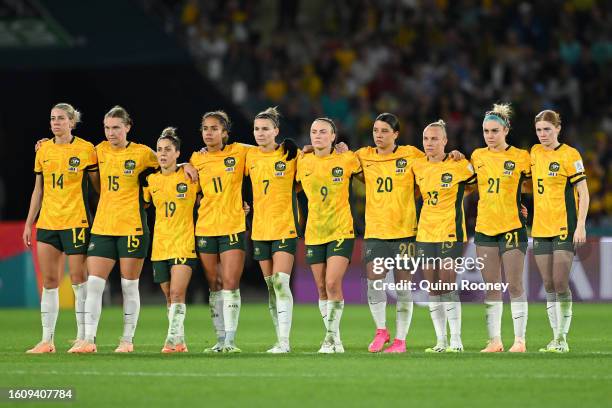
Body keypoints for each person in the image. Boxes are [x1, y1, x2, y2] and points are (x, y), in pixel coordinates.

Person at [71, 106, 196, 353]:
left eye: (116, 127)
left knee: (129, 286)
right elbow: (70, 152)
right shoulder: (97, 151)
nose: (111, 132)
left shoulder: (142, 153)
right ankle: (88, 339)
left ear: (128, 127)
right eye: (107, 127)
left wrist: (186, 165)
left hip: (133, 228)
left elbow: (165, 164)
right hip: (103, 226)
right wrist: (45, 143)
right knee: (94, 284)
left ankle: (127, 341)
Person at [24, 103, 99, 353]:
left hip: (76, 221)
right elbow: (38, 189)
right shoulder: (43, 149)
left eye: (61, 119)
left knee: (79, 280)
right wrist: (29, 222)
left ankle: (83, 338)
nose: (56, 122)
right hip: (47, 222)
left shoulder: (86, 149)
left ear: (72, 122)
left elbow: (98, 187)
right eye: (52, 118)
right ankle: (47, 341)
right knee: (49, 281)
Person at [354, 113, 423, 353]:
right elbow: (337, 162)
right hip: (376, 231)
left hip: (405, 232)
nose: (379, 135)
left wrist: (453, 156)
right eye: (376, 130)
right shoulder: (363, 156)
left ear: (396, 134)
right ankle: (381, 331)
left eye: (384, 131)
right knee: (375, 282)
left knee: (404, 287)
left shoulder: (411, 154)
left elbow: (433, 167)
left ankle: (401, 340)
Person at [296, 117, 362, 353]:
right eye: (314, 131)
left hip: (341, 230)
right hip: (314, 232)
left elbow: (370, 173)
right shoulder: (302, 161)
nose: (318, 135)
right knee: (322, 288)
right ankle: (335, 339)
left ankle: (331, 338)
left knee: (333, 282)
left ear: (334, 136)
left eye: (323, 132)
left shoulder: (347, 159)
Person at [412, 119, 476, 353]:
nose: (429, 143)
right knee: (433, 288)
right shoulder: (418, 166)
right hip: (426, 232)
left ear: (445, 141)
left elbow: (477, 184)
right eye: (426, 138)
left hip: (451, 230)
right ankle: (441, 340)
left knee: (448, 284)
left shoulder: (459, 164)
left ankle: (456, 340)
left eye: (434, 139)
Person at [472, 104, 531, 353]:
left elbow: (533, 185)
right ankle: (495, 340)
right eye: (486, 131)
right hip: (485, 227)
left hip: (511, 226)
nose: (490, 135)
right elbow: (466, 183)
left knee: (515, 284)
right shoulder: (477, 156)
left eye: (495, 130)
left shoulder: (521, 157)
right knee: (492, 285)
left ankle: (519, 340)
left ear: (506, 130)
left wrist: (519, 203)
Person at [190, 110, 251, 353]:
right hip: (205, 226)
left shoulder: (238, 152)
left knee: (229, 282)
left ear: (225, 133)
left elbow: (263, 148)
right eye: (205, 128)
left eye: (215, 128)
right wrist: (185, 165)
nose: (209, 133)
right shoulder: (196, 159)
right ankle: (219, 338)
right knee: (213, 283)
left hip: (233, 226)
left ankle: (231, 341)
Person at [531, 110, 589, 353]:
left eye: (547, 129)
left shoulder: (569, 154)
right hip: (540, 227)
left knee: (560, 282)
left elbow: (583, 192)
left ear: (558, 129)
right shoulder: (534, 153)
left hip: (564, 226)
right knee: (547, 284)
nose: (543, 134)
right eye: (539, 130)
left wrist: (581, 225)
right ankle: (555, 339)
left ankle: (562, 338)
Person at [245, 107, 299, 353]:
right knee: (270, 287)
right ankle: (279, 339)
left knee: (280, 282)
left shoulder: (290, 154)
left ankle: (285, 342)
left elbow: (314, 157)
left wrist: (306, 147)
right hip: (259, 229)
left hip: (284, 227)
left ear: (276, 131)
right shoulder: (249, 156)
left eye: (265, 129)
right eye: (257, 129)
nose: (260, 133)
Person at [143, 127, 199, 353]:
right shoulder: (150, 181)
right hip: (159, 246)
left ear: (177, 153)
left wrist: (187, 165)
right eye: (159, 150)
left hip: (184, 243)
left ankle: (170, 340)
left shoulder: (189, 177)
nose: (162, 154)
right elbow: (142, 205)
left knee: (177, 293)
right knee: (169, 296)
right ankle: (180, 342)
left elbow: (211, 198)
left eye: (168, 150)